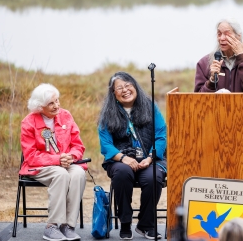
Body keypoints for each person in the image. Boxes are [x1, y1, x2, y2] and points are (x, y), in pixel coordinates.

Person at [98, 72, 167, 240]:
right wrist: (123, 158)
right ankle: (126, 222)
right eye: (119, 88)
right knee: (122, 173)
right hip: (120, 161)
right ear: (113, 93)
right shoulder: (107, 113)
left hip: (150, 158)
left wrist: (150, 157)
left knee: (153, 177)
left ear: (135, 86)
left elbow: (161, 135)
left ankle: (146, 224)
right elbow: (105, 144)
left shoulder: (150, 106)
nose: (125, 90)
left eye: (128, 85)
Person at [20, 83, 87, 241]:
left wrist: (71, 156)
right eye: (51, 103)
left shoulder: (66, 115)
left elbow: (78, 145)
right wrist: (57, 159)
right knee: (61, 174)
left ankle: (68, 226)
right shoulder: (28, 122)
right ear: (39, 106)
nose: (57, 105)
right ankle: (52, 226)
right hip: (40, 166)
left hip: (66, 163)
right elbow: (30, 155)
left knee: (78, 173)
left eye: (57, 101)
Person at [194, 18, 243, 92]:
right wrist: (212, 81)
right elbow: (198, 98)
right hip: (218, 104)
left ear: (238, 36)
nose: (222, 38)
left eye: (227, 34)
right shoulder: (204, 63)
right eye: (219, 34)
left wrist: (242, 57)